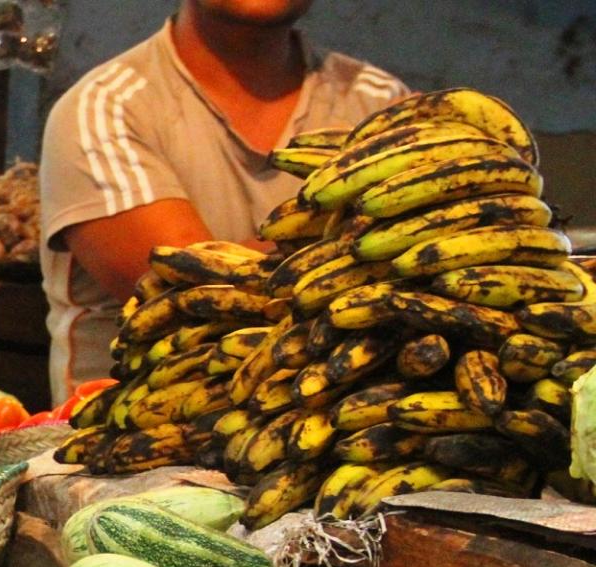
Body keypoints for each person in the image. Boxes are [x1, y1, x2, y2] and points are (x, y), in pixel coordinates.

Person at [39, 0, 407, 402]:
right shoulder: (105, 110)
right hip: (142, 437)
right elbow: (192, 289)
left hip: (342, 428)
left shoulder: (381, 103)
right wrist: (380, 243)